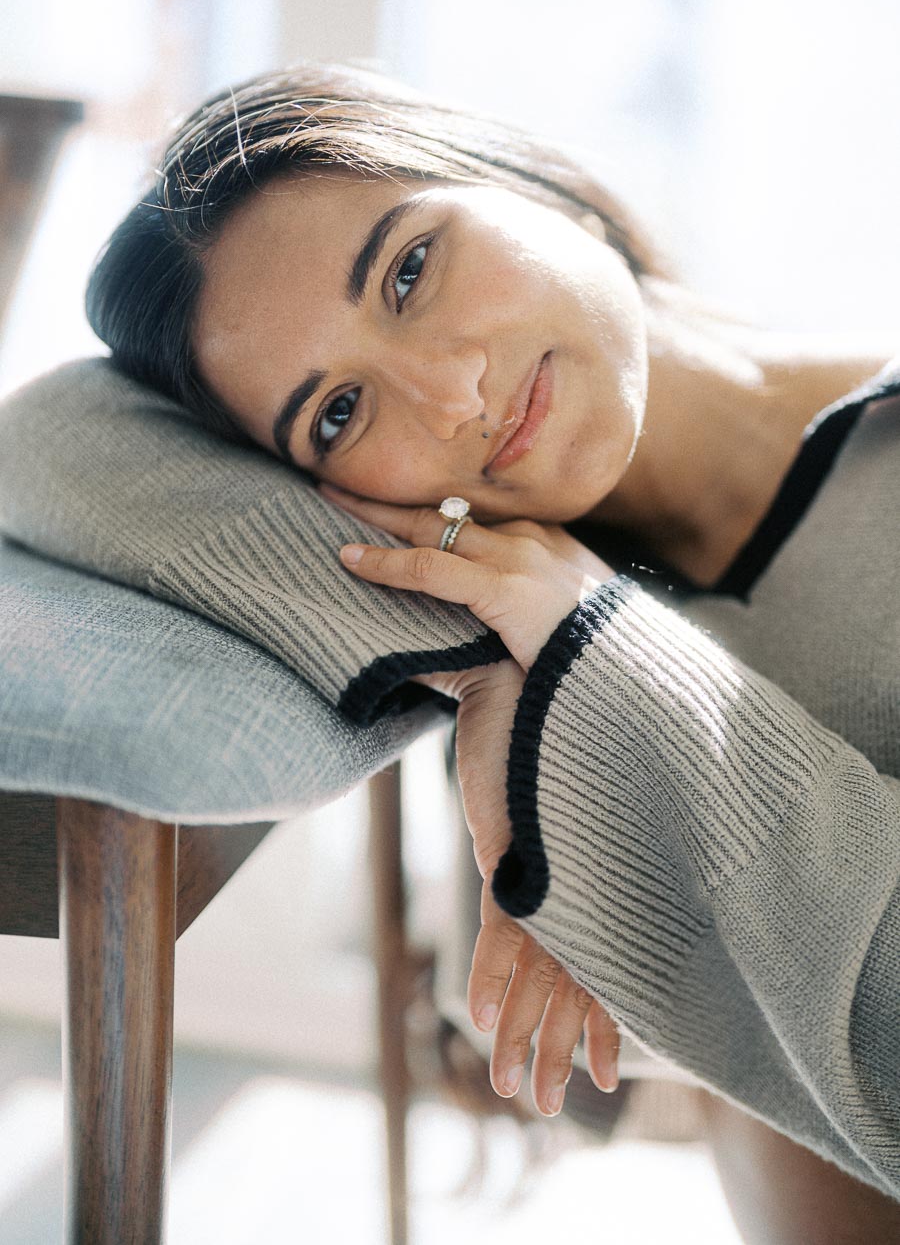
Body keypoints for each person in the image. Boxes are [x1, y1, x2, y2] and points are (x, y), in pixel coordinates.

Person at [85, 62, 899, 1236]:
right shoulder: (515, 621)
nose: (449, 393)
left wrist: (603, 652)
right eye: (340, 414)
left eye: (410, 270)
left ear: (522, 178)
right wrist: (504, 658)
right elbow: (62, 454)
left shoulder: (586, 636)